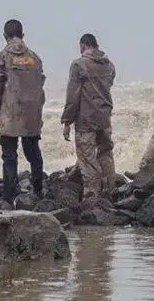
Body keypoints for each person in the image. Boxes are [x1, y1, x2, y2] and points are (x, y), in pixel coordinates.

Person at [0, 18, 47, 202]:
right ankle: (38, 190)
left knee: (9, 155)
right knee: (34, 153)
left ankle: (8, 195)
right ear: (23, 35)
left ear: (5, 36)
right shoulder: (35, 58)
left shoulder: (2, 57)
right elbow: (40, 86)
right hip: (31, 115)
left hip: (10, 114)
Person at [60, 33, 117, 198]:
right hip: (105, 117)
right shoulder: (109, 65)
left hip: (86, 119)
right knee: (105, 152)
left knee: (87, 157)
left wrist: (67, 121)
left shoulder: (79, 65)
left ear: (83, 46)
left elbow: (72, 96)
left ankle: (92, 194)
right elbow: (108, 85)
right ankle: (110, 189)